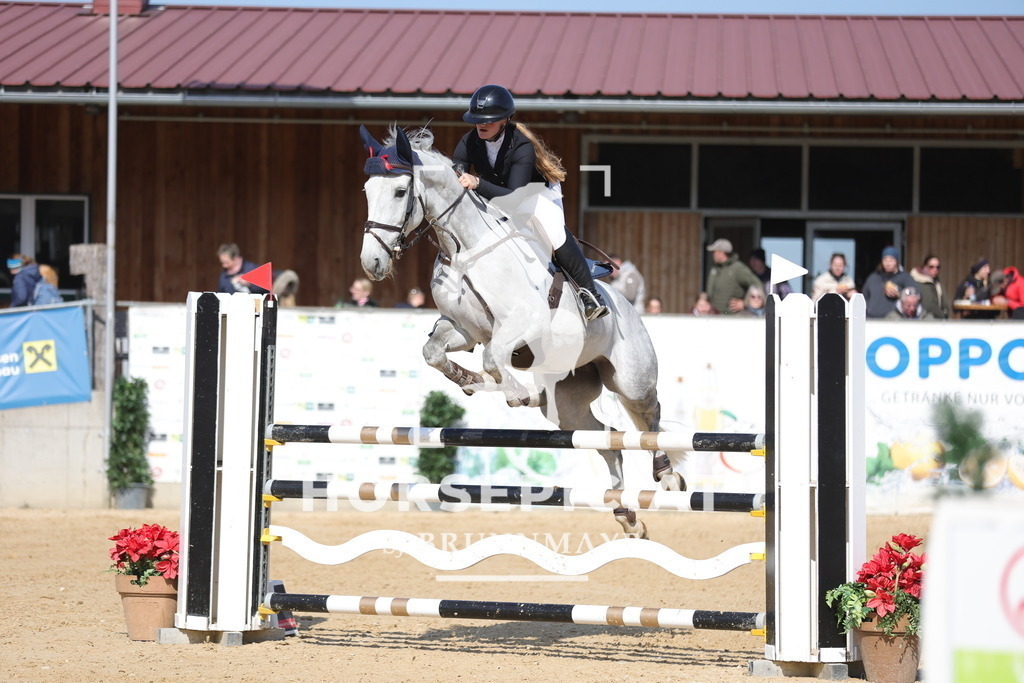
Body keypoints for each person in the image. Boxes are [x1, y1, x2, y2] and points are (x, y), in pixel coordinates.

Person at [452, 84, 608, 322]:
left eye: (489, 120)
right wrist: (459, 176)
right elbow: (458, 166)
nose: (481, 124)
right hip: (496, 191)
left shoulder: (521, 145)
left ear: (505, 120)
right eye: (477, 119)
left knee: (554, 233)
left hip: (535, 193)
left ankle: (590, 295)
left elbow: (514, 198)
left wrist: (476, 183)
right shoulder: (470, 140)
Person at [705, 238, 764, 315]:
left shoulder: (738, 268)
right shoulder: (715, 269)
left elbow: (758, 285)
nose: (713, 255)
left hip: (732, 317)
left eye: (714, 252)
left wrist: (745, 303)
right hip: (715, 316)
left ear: (721, 253)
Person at [861, 246, 914, 319]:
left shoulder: (905, 277)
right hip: (871, 319)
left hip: (893, 320)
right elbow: (864, 296)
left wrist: (899, 294)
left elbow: (914, 295)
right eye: (885, 260)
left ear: (897, 261)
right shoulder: (873, 277)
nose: (888, 263)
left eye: (891, 260)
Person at [909, 254, 948, 319]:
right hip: (925, 320)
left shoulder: (936, 281)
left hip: (937, 319)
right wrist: (942, 316)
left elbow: (944, 301)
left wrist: (946, 313)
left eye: (938, 267)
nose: (935, 269)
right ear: (925, 267)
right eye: (931, 267)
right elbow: (928, 305)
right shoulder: (920, 281)